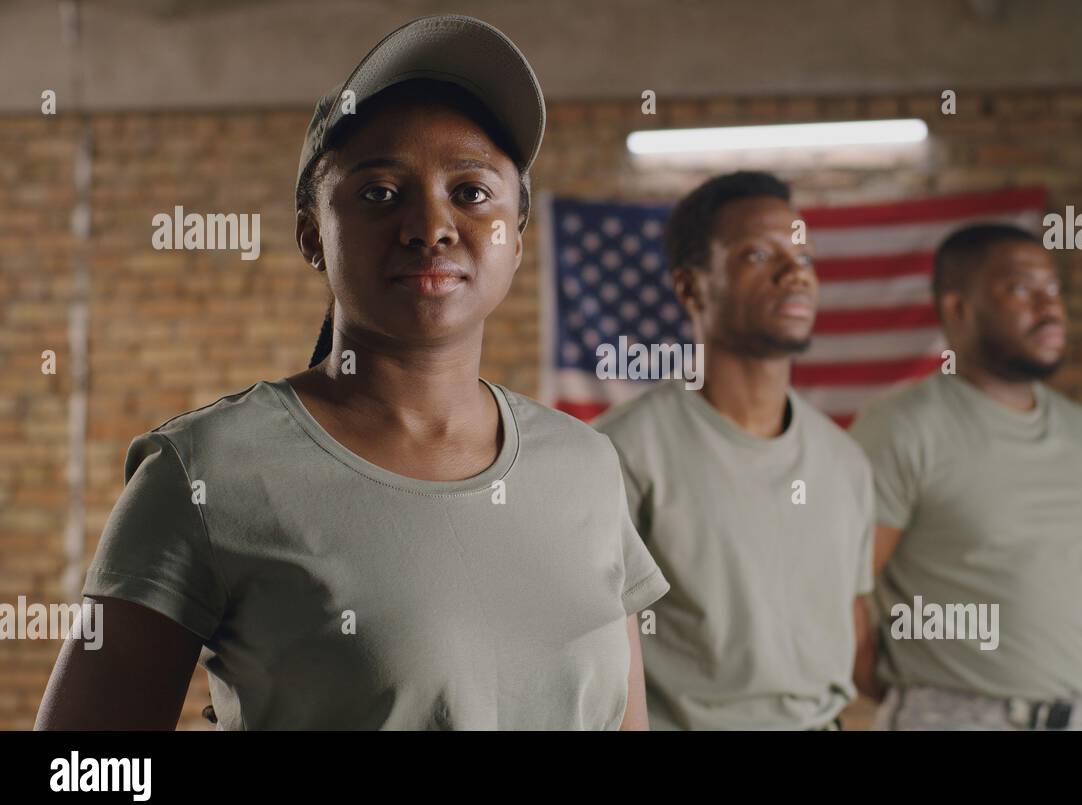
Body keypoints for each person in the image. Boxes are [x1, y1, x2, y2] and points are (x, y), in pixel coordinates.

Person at [36, 15, 668, 731]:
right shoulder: (206, 471)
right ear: (312, 234)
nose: (430, 225)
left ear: (516, 238)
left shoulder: (585, 464)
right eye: (378, 193)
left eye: (471, 192)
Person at [594, 171, 876, 730]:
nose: (795, 272)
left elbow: (852, 628)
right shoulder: (619, 452)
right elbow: (584, 646)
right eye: (757, 255)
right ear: (690, 287)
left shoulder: (844, 461)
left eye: (803, 254)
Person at [849, 223, 1082, 730]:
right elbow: (838, 590)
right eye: (1021, 289)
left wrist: (1037, 658)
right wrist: (909, 693)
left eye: (1053, 289)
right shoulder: (901, 428)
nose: (1049, 308)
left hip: (1081, 718)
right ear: (957, 309)